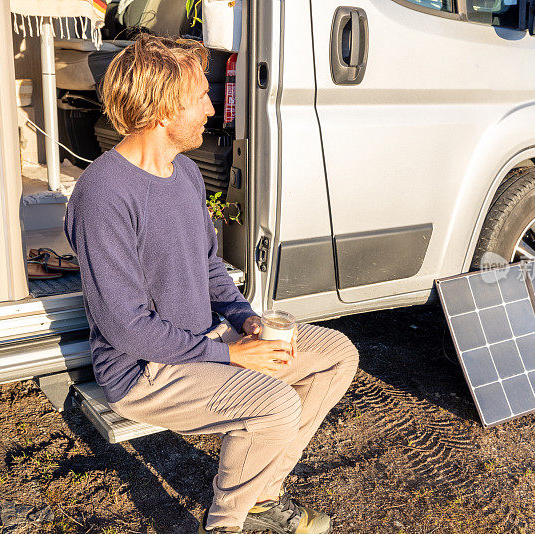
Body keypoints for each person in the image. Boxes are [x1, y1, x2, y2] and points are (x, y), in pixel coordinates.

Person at [64, 34, 359, 533]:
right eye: (201, 95)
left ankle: (262, 500)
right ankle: (226, 524)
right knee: (276, 404)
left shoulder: (184, 173)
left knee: (335, 354)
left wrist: (245, 319)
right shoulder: (103, 195)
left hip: (205, 340)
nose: (211, 107)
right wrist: (231, 356)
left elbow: (207, 266)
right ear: (163, 108)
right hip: (145, 370)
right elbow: (125, 326)